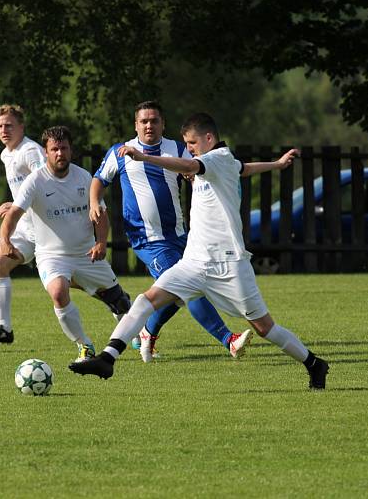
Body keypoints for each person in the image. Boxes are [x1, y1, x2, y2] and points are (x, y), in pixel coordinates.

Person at [70, 113, 329, 390]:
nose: (190, 147)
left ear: (208, 138)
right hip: (193, 262)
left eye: (192, 142)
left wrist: (144, 158)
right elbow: (244, 168)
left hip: (228, 265)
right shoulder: (223, 161)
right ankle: (108, 358)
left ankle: (314, 364)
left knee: (265, 328)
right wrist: (277, 164)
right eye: (187, 143)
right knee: (146, 300)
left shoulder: (215, 159)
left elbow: (189, 164)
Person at [90, 100, 251, 363]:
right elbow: (99, 180)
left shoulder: (177, 149)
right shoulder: (120, 152)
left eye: (154, 121)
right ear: (136, 125)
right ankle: (228, 340)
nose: (149, 125)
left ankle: (148, 332)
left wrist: (192, 174)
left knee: (174, 294)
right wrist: (95, 201)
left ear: (163, 124)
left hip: (179, 235)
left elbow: (202, 168)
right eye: (144, 121)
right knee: (189, 289)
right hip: (147, 239)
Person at [0, 125, 132, 361]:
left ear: (71, 151)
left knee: (121, 304)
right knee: (59, 292)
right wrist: (5, 240)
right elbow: (13, 213)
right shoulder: (35, 181)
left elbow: (100, 214)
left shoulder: (84, 178)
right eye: (54, 149)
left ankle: (128, 324)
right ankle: (84, 345)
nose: (60, 153)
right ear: (46, 151)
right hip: (51, 256)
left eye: (64, 148)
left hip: (85, 254)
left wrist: (101, 243)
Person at [0, 104, 46, 344]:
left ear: (21, 127)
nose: (4, 130)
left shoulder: (30, 151)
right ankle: (4, 329)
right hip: (25, 230)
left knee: (74, 283)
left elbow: (46, 185)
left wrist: (16, 204)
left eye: (9, 125)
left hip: (47, 230)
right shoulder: (6, 154)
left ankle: (120, 306)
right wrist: (16, 205)